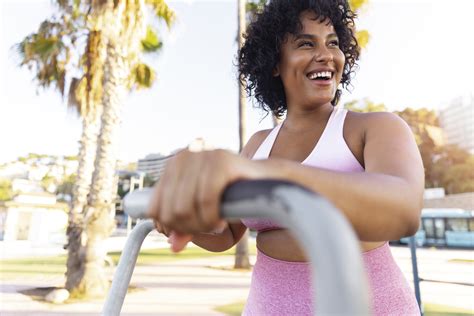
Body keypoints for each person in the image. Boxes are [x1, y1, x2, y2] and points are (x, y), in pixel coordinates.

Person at [148, 0, 424, 315]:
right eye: (306, 44)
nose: (325, 55)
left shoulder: (374, 127)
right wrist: (180, 220)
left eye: (333, 43)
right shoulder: (257, 145)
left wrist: (266, 174)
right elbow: (228, 233)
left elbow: (404, 210)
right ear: (275, 63)